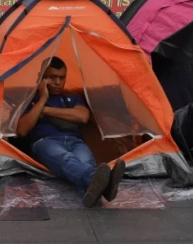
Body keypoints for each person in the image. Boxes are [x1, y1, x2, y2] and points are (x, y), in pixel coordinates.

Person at [16, 57, 126, 208]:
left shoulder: (71, 98)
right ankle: (106, 186)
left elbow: (82, 116)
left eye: (62, 78)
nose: (57, 82)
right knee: (67, 159)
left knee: (86, 163)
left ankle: (91, 191)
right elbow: (22, 130)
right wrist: (43, 99)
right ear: (41, 78)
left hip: (75, 141)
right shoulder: (31, 99)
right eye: (52, 77)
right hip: (45, 142)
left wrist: (45, 110)